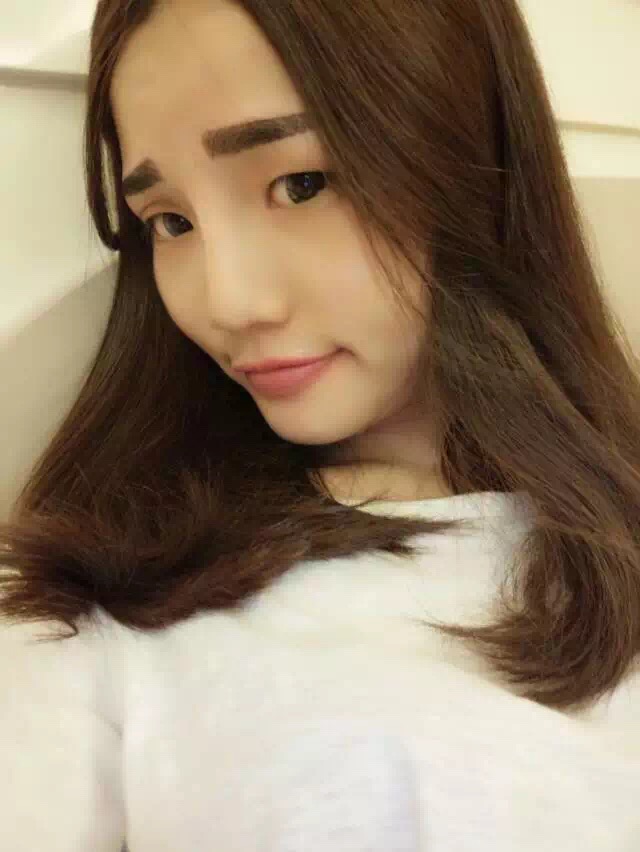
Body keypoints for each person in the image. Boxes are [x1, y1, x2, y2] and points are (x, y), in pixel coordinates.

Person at [1, 0, 639, 848]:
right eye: (171, 222)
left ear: (473, 156)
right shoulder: (98, 601)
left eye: (302, 185)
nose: (229, 301)